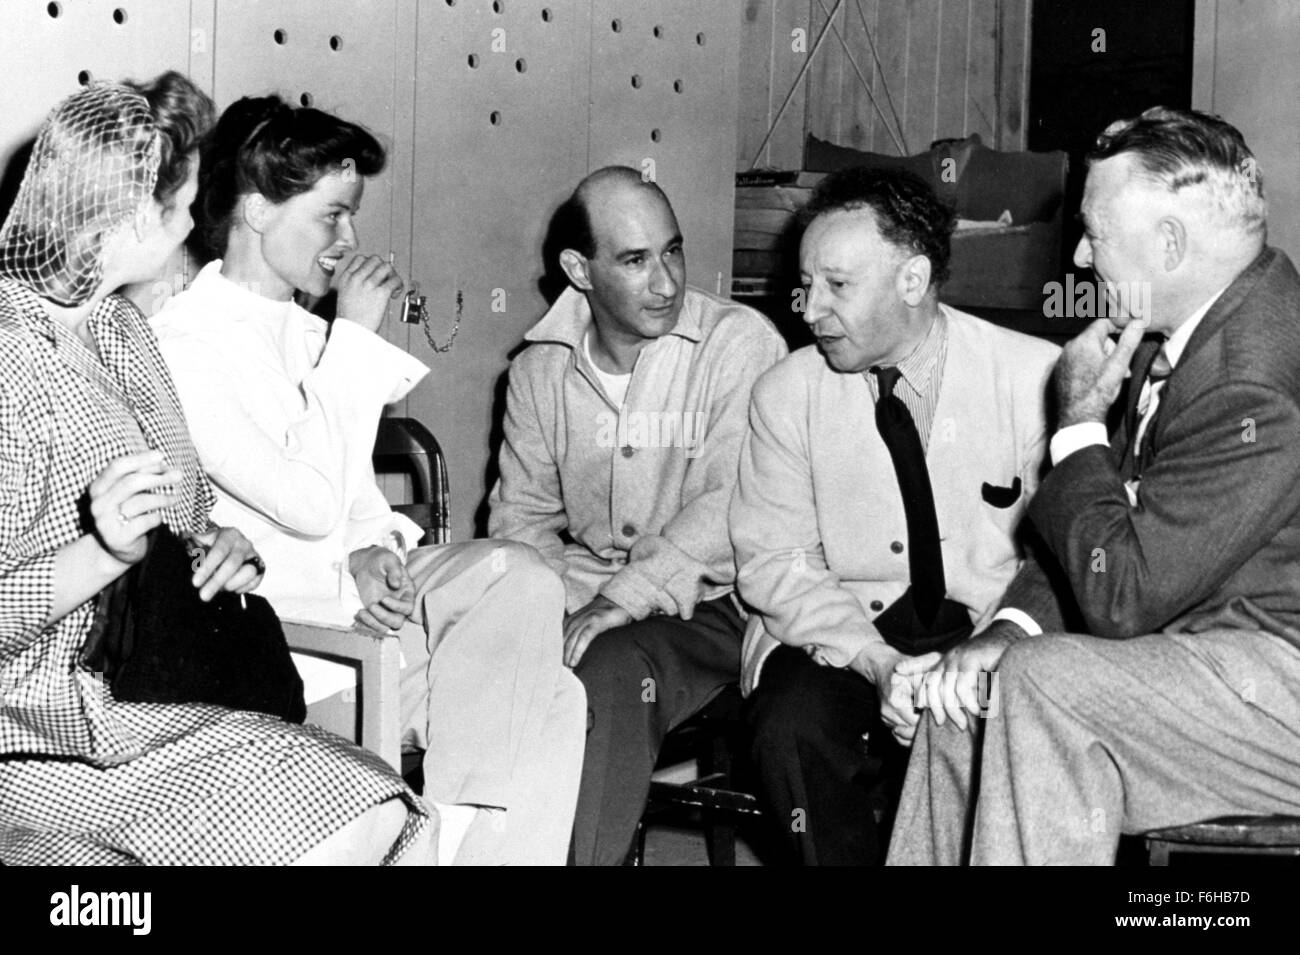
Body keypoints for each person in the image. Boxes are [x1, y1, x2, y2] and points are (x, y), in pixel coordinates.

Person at [0, 73, 430, 865]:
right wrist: (101, 553)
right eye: (186, 203)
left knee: (367, 800)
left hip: (145, 687)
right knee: (340, 816)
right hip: (36, 725)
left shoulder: (126, 333)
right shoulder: (9, 356)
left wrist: (221, 545)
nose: (201, 218)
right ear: (134, 217)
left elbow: (198, 518)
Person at [151, 94, 585, 866]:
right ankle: (452, 840)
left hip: (356, 609)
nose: (349, 240)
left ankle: (448, 830)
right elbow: (303, 503)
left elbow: (353, 504)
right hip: (286, 638)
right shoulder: (183, 345)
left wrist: (375, 544)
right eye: (331, 216)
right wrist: (353, 336)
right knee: (552, 701)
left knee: (522, 582)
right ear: (255, 210)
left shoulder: (312, 333)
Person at [888, 106, 1300, 865]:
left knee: (1043, 687)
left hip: (1280, 686)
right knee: (961, 703)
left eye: (1095, 234)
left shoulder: (1254, 375)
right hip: (1205, 657)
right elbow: (1105, 526)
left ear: (1170, 243)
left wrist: (1077, 421)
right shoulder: (1177, 324)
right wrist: (1004, 633)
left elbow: (1122, 593)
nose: (1078, 257)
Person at [729, 166, 1059, 865]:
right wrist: (879, 665)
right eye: (806, 283)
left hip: (986, 623)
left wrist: (984, 650)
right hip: (846, 626)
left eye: (836, 286)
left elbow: (1059, 564)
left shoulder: (1035, 379)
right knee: (791, 726)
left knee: (1012, 731)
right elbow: (777, 563)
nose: (809, 309)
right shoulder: (786, 394)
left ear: (912, 281)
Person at [489, 166, 788, 865]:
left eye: (673, 251)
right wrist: (555, 607)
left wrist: (621, 600)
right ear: (579, 269)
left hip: (723, 600)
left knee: (610, 664)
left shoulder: (737, 343)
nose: (667, 282)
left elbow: (729, 505)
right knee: (488, 652)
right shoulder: (538, 371)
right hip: (589, 594)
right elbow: (522, 520)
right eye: (634, 260)